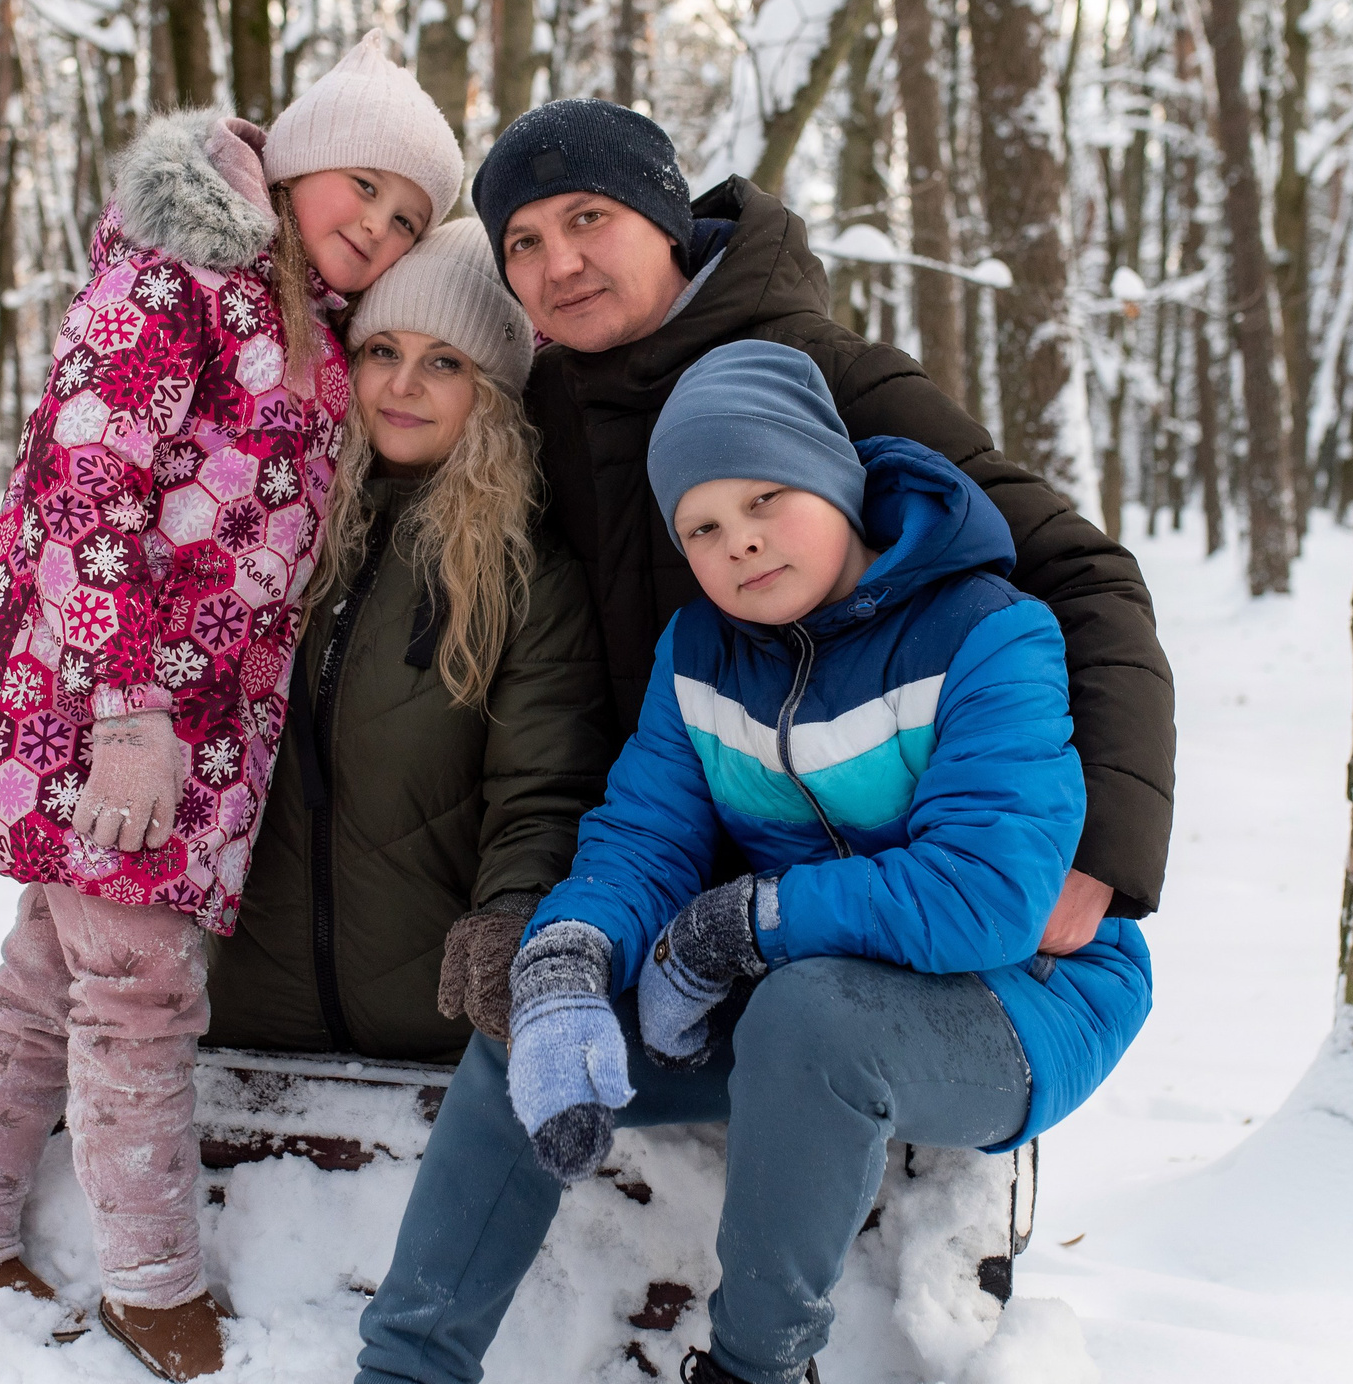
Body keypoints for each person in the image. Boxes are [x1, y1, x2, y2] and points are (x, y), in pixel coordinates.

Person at [262, 344, 1152, 1384]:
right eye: (702, 527)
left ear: (835, 484)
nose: (738, 543)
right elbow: (642, 836)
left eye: (765, 501)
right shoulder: (700, 654)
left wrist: (746, 922)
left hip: (1018, 1000)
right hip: (792, 992)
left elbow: (989, 897)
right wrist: (567, 955)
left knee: (809, 1011)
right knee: (528, 1037)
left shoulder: (987, 630)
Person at [0, 34, 464, 1384]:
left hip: (188, 730)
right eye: (362, 189)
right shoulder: (175, 282)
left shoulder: (304, 316)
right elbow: (83, 496)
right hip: (102, 713)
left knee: (52, 973)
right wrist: (131, 709)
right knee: (141, 989)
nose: (378, 227)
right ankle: (152, 1280)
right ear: (293, 164)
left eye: (407, 215)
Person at [483, 99, 1174, 953]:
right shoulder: (537, 418)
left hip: (874, 907)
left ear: (664, 220)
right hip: (650, 891)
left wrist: (1101, 851)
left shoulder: (825, 378)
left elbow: (1083, 573)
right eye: (524, 242)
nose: (563, 262)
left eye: (589, 217)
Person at [206, 218, 614, 1061]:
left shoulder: (527, 571)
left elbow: (542, 791)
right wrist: (45, 698)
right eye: (381, 350)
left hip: (432, 1039)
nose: (403, 383)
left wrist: (511, 918)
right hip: (236, 1018)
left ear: (492, 390)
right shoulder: (272, 521)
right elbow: (174, 661)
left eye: (444, 362)